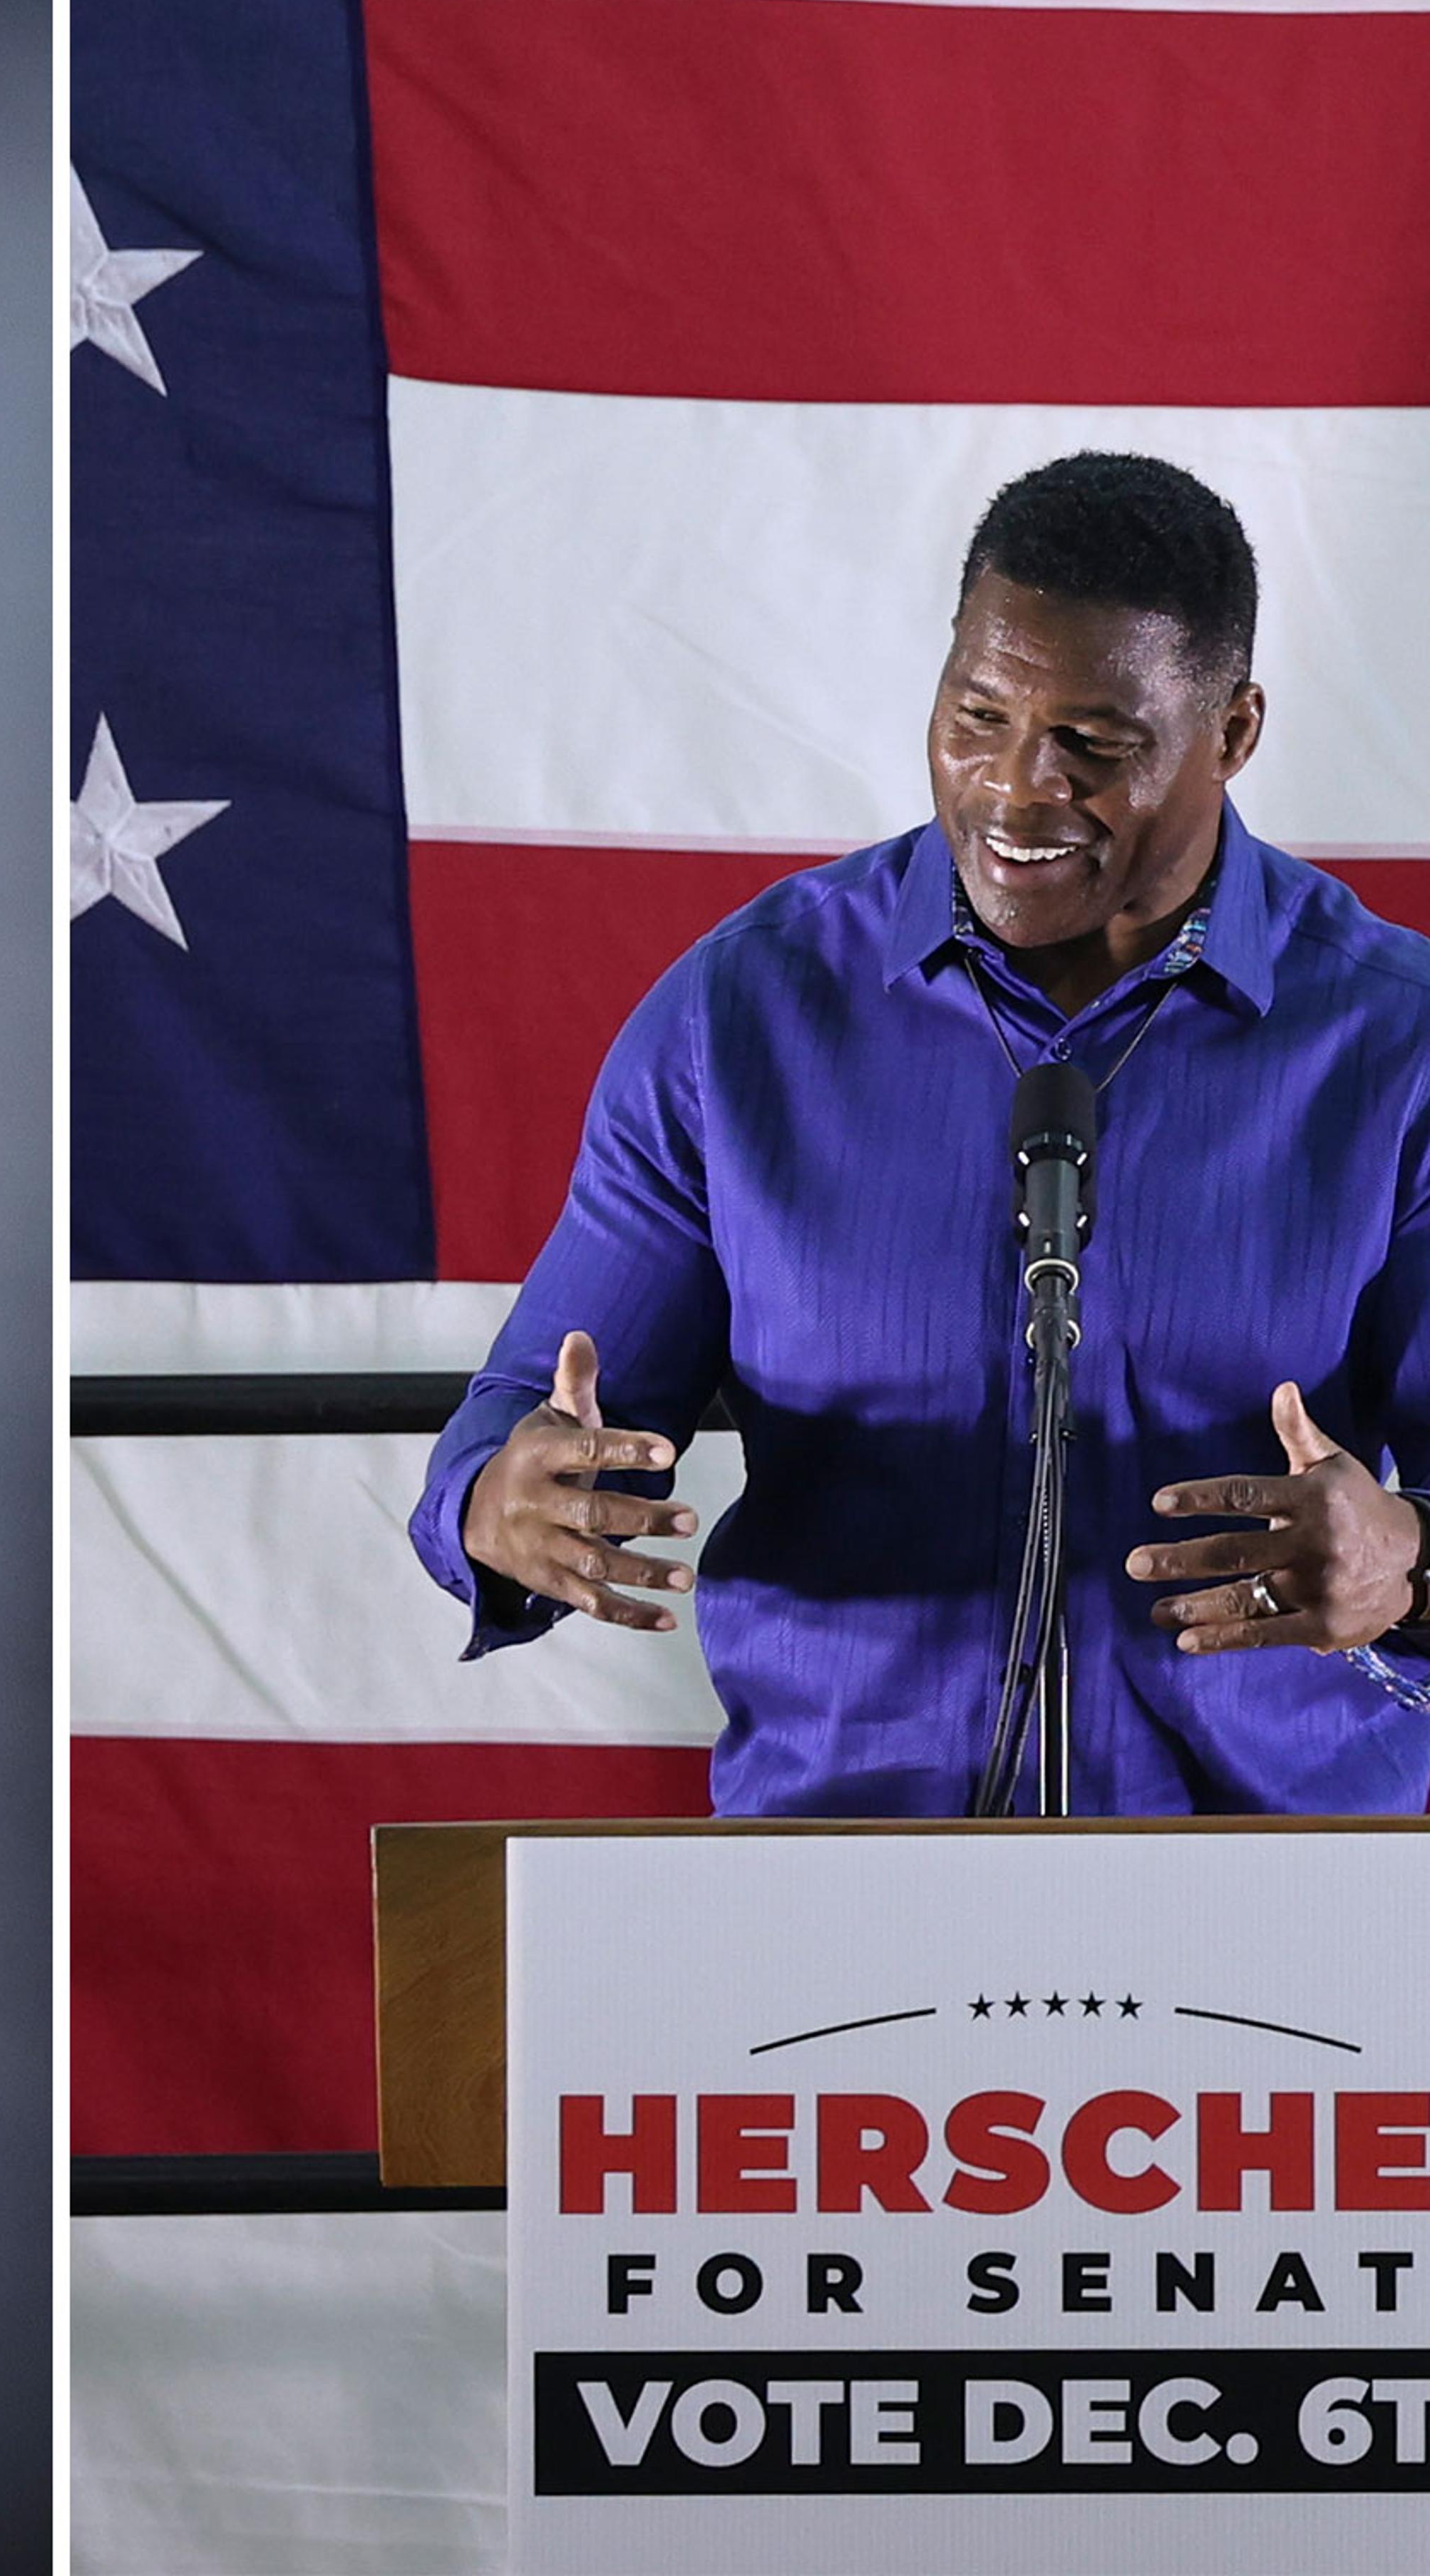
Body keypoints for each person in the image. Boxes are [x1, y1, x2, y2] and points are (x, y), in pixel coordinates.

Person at [413, 451, 1430, 1818]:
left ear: (1234, 731)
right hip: (847, 1869)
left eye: (1095, 746)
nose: (1016, 790)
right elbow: (528, 1410)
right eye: (980, 714)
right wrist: (507, 1500)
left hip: (1291, 1887)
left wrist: (1404, 1563)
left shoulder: (1397, 1042)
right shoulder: (742, 1015)